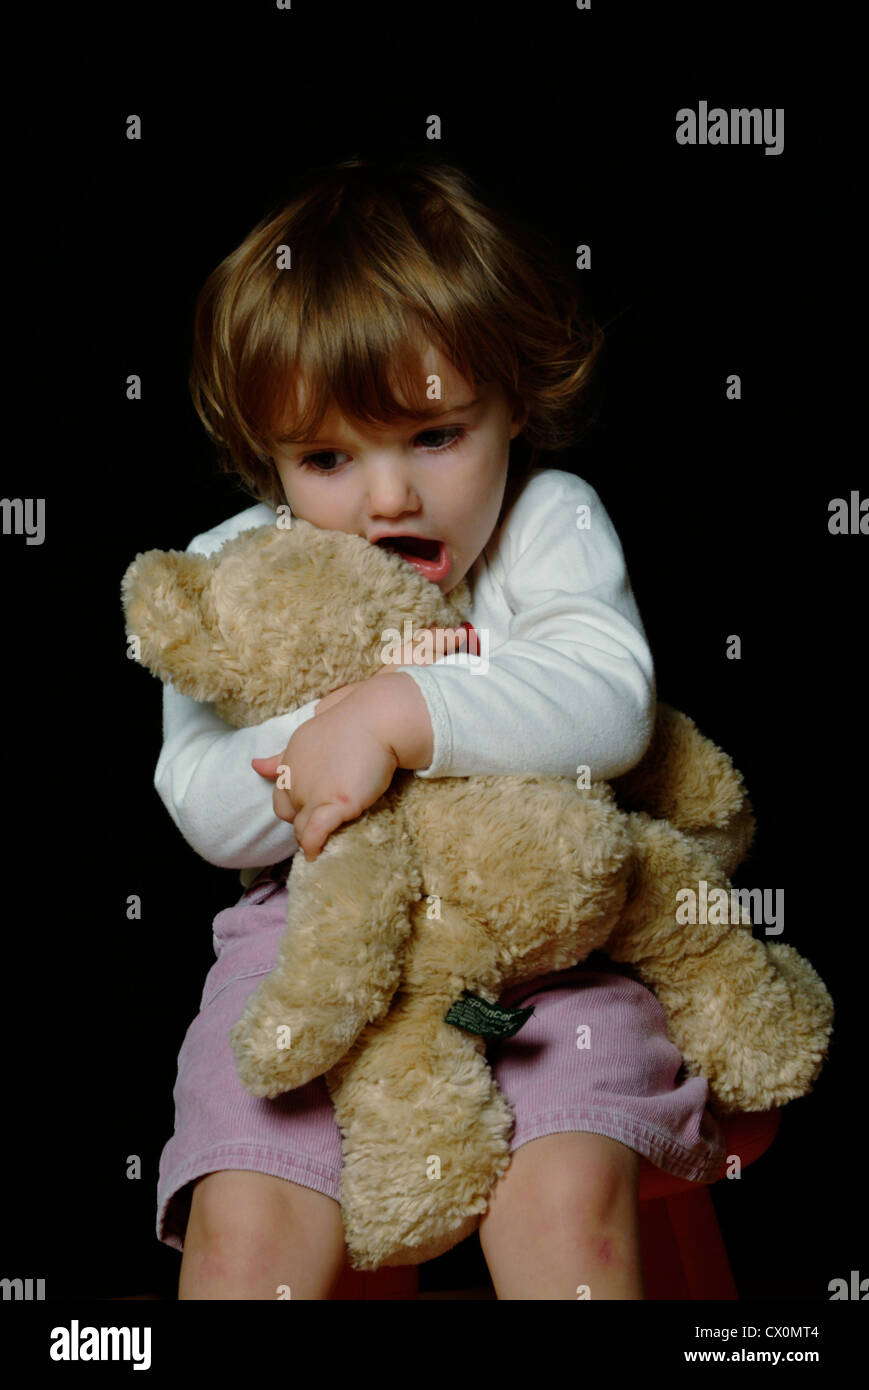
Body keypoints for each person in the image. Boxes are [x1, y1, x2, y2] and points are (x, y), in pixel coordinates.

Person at [152, 153, 726, 1300]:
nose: (385, 500)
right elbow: (202, 800)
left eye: (433, 436)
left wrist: (404, 709)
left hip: (549, 940)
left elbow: (608, 699)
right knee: (246, 1221)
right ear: (268, 458)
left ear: (512, 403)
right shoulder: (229, 571)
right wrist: (324, 734)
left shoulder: (547, 521)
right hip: (308, 940)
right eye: (324, 458)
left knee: (564, 1195)